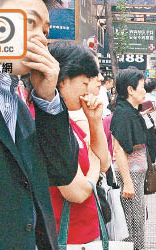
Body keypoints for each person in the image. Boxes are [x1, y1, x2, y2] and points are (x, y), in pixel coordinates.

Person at [0, 1, 80, 250]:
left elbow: (60, 171)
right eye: (30, 22)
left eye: (46, 31)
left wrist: (48, 98)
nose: (41, 39)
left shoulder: (11, 93)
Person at [47, 41, 110, 244]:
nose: (89, 88)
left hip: (83, 235)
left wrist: (94, 120)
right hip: (65, 238)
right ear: (63, 80)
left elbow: (105, 163)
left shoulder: (66, 120)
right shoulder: (45, 124)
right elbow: (77, 192)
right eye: (85, 82)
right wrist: (94, 164)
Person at [110, 68, 148, 250]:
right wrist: (127, 182)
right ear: (130, 90)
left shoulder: (132, 111)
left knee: (138, 220)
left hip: (136, 177)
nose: (145, 90)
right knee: (131, 224)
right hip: (130, 178)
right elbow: (118, 150)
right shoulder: (123, 114)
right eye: (142, 86)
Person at [142, 78, 156, 163]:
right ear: (154, 88)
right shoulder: (154, 98)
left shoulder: (139, 98)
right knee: (152, 149)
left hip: (140, 127)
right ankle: (151, 168)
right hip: (150, 126)